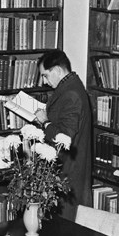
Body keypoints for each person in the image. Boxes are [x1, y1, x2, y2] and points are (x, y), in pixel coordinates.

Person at [34, 50, 92, 221]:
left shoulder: (71, 94)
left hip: (68, 171)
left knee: (65, 224)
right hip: (67, 168)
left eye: (45, 75)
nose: (44, 81)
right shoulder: (69, 87)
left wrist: (45, 123)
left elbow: (65, 137)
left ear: (58, 70)